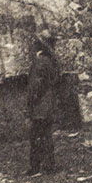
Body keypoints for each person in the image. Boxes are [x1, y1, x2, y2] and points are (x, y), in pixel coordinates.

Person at [26, 30, 61, 175]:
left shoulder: (40, 62)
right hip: (49, 103)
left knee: (36, 136)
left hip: (40, 105)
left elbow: (36, 85)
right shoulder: (52, 61)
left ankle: (36, 167)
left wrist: (30, 102)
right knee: (46, 135)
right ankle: (49, 165)